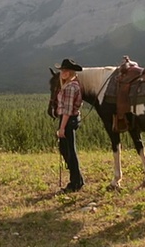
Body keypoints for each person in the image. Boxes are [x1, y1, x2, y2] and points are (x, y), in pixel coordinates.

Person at [55, 58, 84, 193]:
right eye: (62, 70)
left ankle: (75, 183)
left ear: (71, 72)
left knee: (70, 151)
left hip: (68, 120)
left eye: (66, 70)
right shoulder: (70, 85)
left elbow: (67, 110)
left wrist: (62, 128)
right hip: (70, 119)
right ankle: (77, 179)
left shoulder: (71, 87)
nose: (63, 72)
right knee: (66, 149)